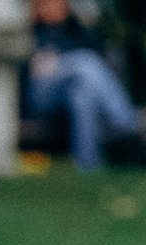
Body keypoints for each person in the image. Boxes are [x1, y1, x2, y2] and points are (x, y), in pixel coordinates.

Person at [28, 0, 143, 170]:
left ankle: (88, 166)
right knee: (85, 62)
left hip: (68, 92)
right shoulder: (31, 31)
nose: (55, 7)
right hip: (41, 95)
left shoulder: (74, 29)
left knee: (82, 97)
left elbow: (95, 51)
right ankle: (127, 122)